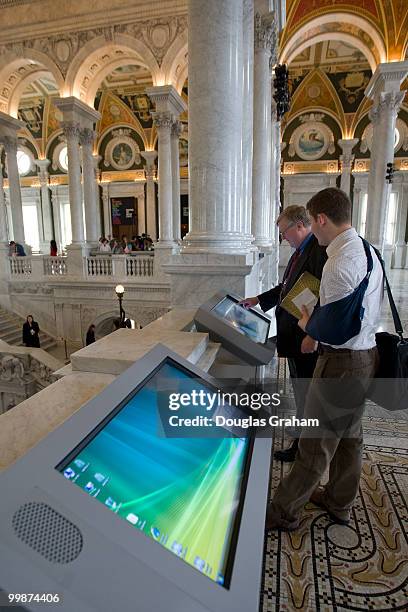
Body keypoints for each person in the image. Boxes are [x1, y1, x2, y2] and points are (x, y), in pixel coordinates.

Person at [266, 187, 383, 531]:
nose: (312, 235)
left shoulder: (339, 262)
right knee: (349, 437)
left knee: (315, 443)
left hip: (341, 363)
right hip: (366, 356)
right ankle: (339, 500)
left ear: (320, 219)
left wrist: (307, 323)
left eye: (313, 227)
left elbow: (330, 331)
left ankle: (283, 512)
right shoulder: (368, 250)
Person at [241, 205, 327, 462]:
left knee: (306, 391)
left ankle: (302, 445)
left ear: (300, 226)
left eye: (284, 231)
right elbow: (287, 287)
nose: (283, 237)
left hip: (304, 336)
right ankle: (301, 428)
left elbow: (322, 295)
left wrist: (313, 334)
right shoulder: (301, 250)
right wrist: (259, 299)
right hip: (294, 334)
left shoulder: (317, 251)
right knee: (299, 386)